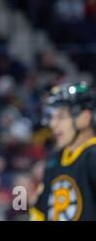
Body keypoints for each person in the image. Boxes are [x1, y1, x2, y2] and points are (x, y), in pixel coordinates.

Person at [30, 82, 96, 220]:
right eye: (51, 117)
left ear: (84, 117)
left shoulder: (92, 156)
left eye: (61, 116)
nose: (53, 124)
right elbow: (40, 213)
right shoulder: (54, 161)